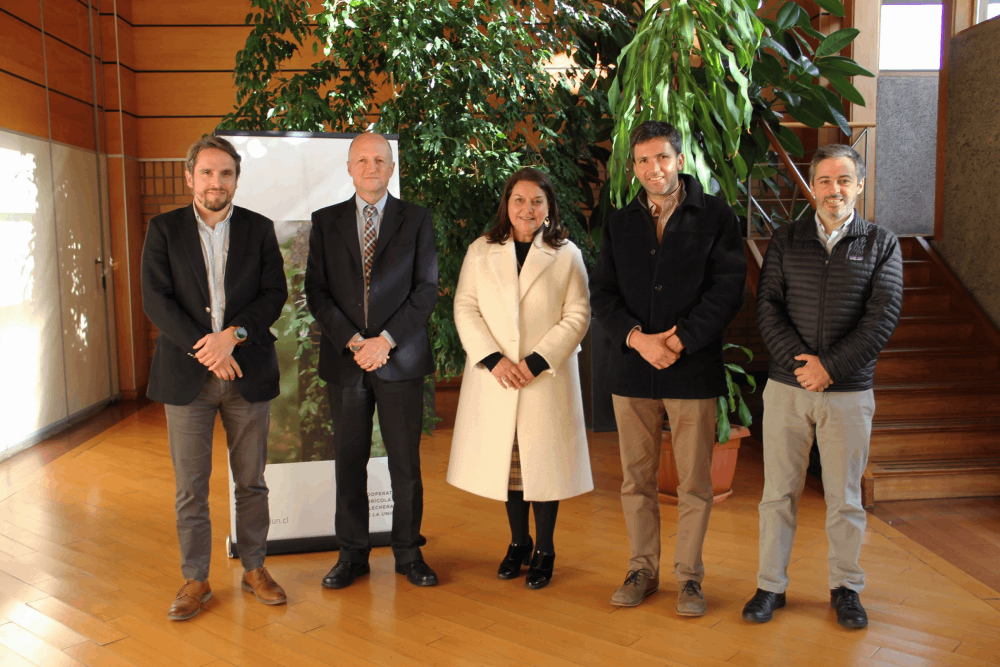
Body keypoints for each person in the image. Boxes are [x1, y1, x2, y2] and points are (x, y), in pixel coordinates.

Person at [742, 144, 903, 629]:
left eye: (845, 180)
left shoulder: (882, 243)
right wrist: (802, 368)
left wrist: (830, 367)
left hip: (849, 392)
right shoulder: (787, 238)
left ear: (860, 186)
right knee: (778, 495)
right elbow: (767, 306)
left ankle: (846, 588)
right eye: (826, 181)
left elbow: (883, 318)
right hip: (787, 389)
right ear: (813, 186)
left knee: (845, 498)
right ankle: (771, 586)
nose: (835, 190)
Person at [590, 120, 746, 616]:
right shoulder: (618, 222)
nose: (652, 168)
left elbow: (727, 290)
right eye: (642, 160)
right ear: (632, 167)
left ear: (679, 160)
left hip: (690, 367)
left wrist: (677, 340)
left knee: (695, 483)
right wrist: (638, 340)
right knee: (635, 480)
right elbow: (603, 294)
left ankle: (690, 579)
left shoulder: (717, 215)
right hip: (633, 369)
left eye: (662, 157)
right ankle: (642, 570)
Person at [141, 136, 289, 621]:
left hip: (248, 371)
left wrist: (234, 336)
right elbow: (156, 300)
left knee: (252, 482)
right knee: (191, 486)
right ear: (190, 177)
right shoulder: (162, 230)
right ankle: (195, 579)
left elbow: (274, 294)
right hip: (188, 377)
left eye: (225, 173)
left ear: (236, 179)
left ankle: (255, 569)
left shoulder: (260, 229)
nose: (215, 182)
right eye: (206, 172)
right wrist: (208, 349)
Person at [447, 167, 593, 590]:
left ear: (549, 208)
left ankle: (545, 549)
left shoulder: (567, 254)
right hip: (497, 377)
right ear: (506, 205)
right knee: (508, 469)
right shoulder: (480, 250)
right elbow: (465, 308)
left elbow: (578, 314)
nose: (527, 209)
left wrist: (537, 360)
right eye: (518, 200)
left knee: (542, 467)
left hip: (544, 377)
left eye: (536, 201)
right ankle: (518, 543)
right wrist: (494, 359)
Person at [305, 132, 439, 589]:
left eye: (379, 159)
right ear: (348, 167)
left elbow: (426, 291)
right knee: (348, 461)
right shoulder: (325, 222)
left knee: (405, 462)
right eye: (361, 160)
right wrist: (354, 342)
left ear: (391, 166)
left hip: (400, 359)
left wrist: (384, 340)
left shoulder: (417, 220)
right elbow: (316, 293)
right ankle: (352, 555)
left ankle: (408, 553)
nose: (371, 167)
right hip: (346, 361)